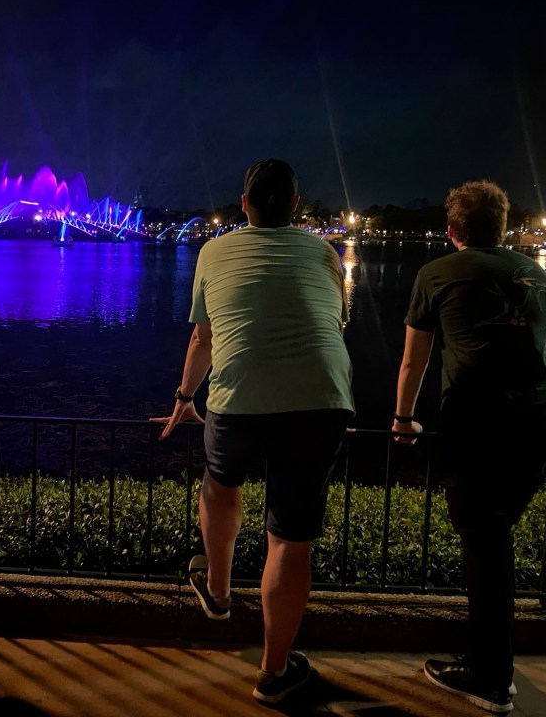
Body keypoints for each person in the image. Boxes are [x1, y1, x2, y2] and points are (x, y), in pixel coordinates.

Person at [153, 158, 354, 703]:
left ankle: (218, 592)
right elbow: (334, 324)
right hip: (322, 399)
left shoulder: (214, 251)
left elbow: (203, 338)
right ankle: (275, 671)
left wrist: (184, 399)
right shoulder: (325, 253)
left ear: (243, 205)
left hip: (238, 396)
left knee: (220, 484)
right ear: (296, 204)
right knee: (289, 539)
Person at [392, 180, 546, 715]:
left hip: (477, 424)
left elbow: (414, 359)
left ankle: (491, 676)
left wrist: (402, 418)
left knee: (484, 545)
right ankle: (491, 660)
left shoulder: (436, 273)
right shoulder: (535, 273)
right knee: (494, 538)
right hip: (540, 419)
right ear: (503, 228)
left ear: (451, 230)